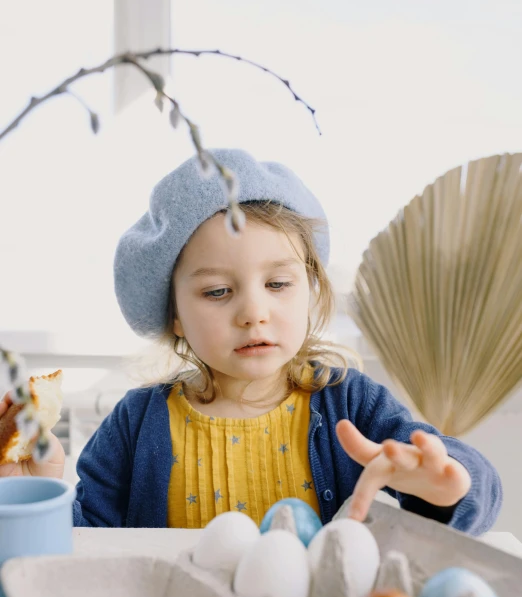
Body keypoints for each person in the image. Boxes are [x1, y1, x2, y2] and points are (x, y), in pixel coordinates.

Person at [0, 149, 502, 534]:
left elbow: (462, 488)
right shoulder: (135, 426)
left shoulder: (352, 403)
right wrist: (29, 496)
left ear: (310, 289)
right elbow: (84, 556)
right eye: (218, 291)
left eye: (278, 285)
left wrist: (448, 484)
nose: (254, 313)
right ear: (174, 315)